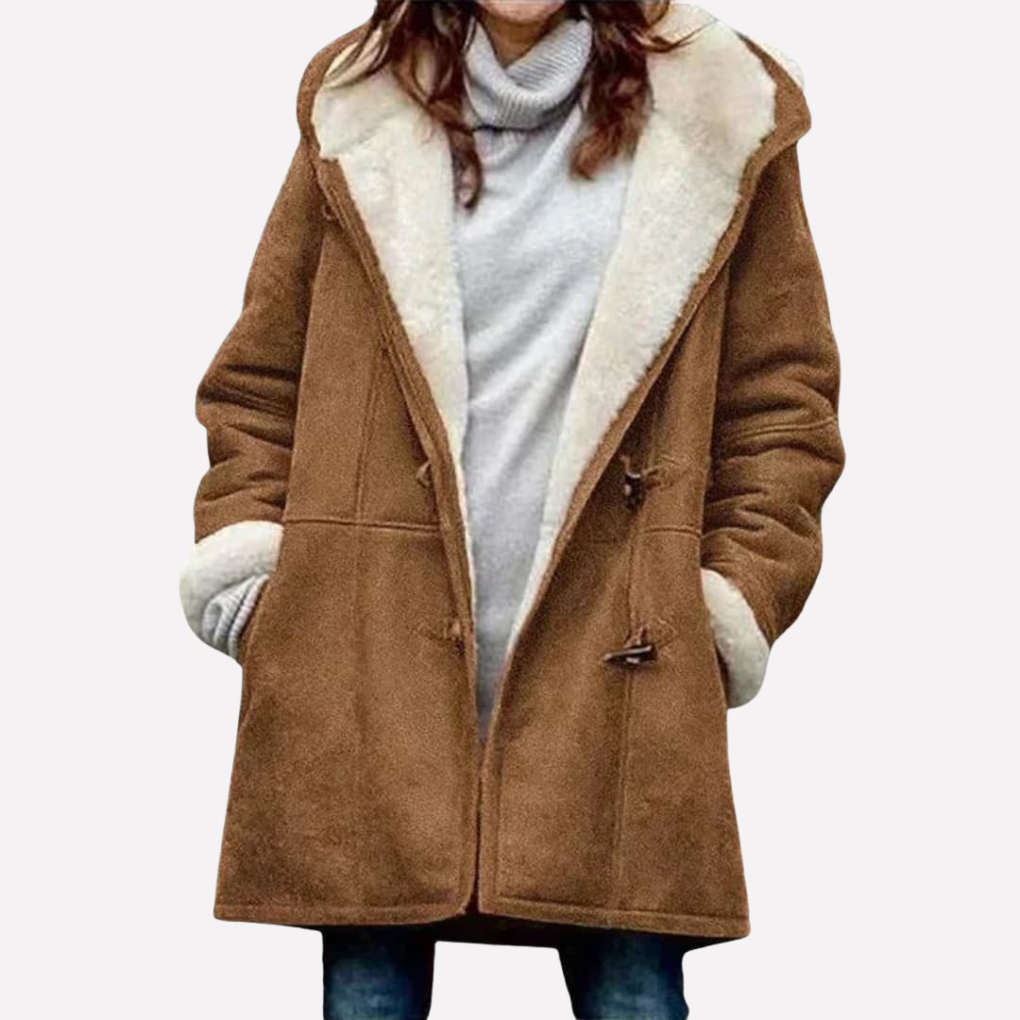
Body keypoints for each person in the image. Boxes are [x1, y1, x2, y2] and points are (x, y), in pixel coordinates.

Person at [178, 2, 845, 1017]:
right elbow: (261, 380)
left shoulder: (717, 110)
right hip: (366, 667)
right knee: (370, 997)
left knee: (632, 995)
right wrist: (256, 580)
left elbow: (781, 406)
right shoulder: (360, 101)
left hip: (620, 664)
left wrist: (723, 606)